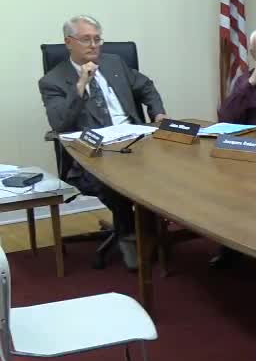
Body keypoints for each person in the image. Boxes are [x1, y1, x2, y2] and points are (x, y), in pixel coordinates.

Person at [39, 15, 167, 270]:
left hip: (136, 141)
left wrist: (158, 113)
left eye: (97, 39)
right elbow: (60, 123)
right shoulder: (52, 81)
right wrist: (81, 84)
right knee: (114, 180)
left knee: (167, 167)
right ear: (68, 42)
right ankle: (130, 234)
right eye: (86, 39)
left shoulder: (113, 62)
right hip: (92, 154)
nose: (94, 45)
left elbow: (146, 86)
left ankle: (149, 229)